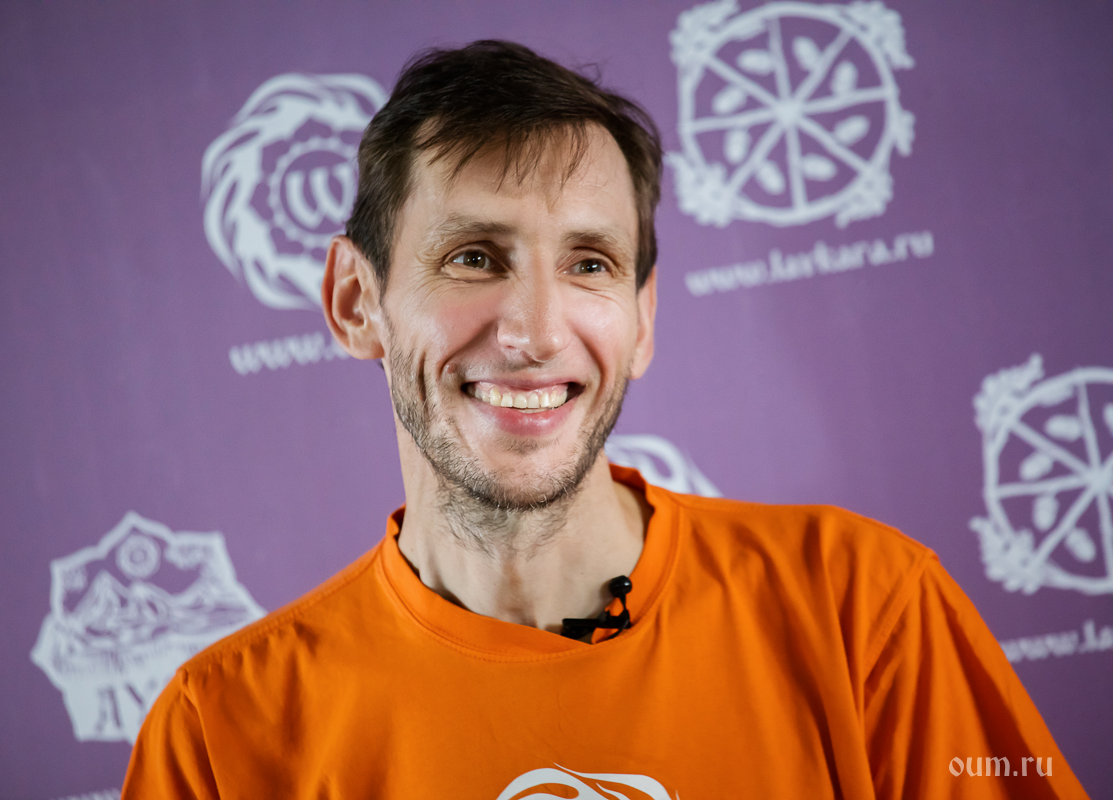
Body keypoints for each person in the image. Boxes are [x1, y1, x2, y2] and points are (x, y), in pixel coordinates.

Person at [123, 41, 1088, 799]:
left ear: (642, 319)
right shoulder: (220, 734)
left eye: (589, 265)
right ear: (355, 301)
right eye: (473, 257)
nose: (536, 333)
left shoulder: (865, 611)